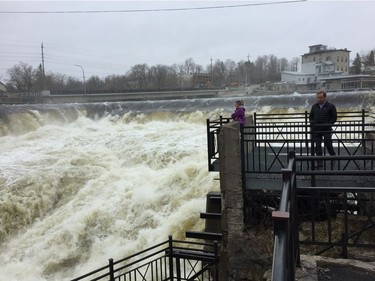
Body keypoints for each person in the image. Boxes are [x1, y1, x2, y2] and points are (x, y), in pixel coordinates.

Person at [309, 90, 337, 166]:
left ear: (325, 97)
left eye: (321, 97)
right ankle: (319, 161)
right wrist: (312, 123)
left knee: (328, 143)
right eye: (318, 98)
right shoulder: (314, 106)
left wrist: (328, 124)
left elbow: (334, 117)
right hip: (317, 129)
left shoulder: (331, 106)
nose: (319, 99)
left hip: (326, 129)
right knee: (317, 145)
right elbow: (311, 116)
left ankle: (333, 157)